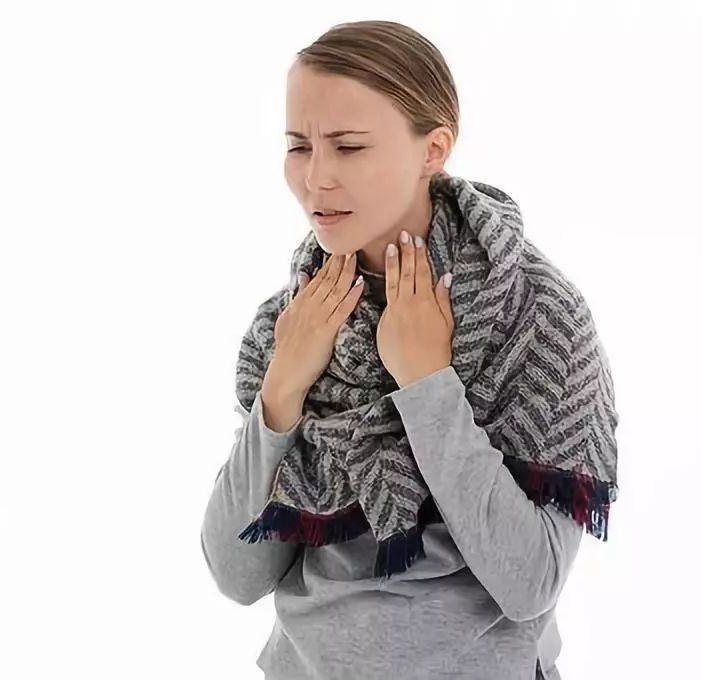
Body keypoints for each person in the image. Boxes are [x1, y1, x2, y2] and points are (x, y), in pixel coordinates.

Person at [201, 19, 618, 680]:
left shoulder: (537, 317)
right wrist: (281, 392)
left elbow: (531, 582)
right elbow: (237, 574)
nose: (316, 178)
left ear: (434, 148)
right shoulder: (292, 322)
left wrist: (428, 386)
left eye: (348, 146)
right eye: (299, 146)